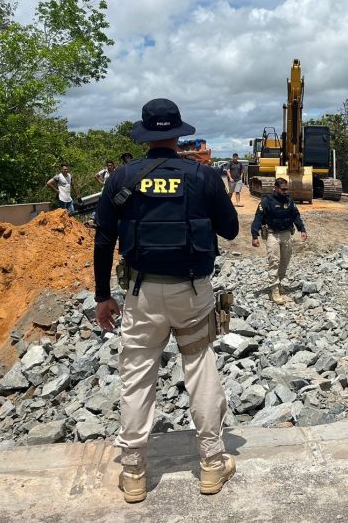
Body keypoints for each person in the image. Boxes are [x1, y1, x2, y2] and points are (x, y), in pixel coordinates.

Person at [93, 98, 239, 503]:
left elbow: (104, 238)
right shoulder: (204, 176)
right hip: (192, 291)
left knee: (137, 376)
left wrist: (103, 295)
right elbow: (229, 230)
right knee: (200, 368)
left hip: (140, 292)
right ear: (178, 134)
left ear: (145, 135)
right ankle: (211, 464)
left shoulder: (121, 177)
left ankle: (135, 472)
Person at [251, 177, 307, 304]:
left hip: (287, 234)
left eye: (286, 189)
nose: (285, 191)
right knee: (274, 261)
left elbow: (296, 215)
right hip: (273, 235)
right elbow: (258, 218)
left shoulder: (289, 200)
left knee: (285, 261)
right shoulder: (266, 201)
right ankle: (274, 291)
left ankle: (279, 282)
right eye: (283, 189)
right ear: (276, 188)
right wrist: (254, 235)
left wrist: (302, 229)